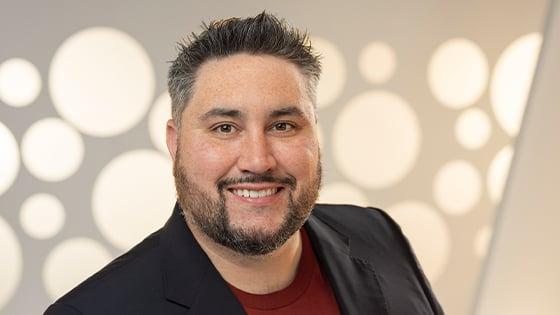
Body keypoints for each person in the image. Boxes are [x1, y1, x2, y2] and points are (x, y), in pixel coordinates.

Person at [45, 12, 444, 315]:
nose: (257, 159)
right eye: (224, 128)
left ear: (315, 134)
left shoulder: (379, 235)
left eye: (283, 125)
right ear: (176, 143)